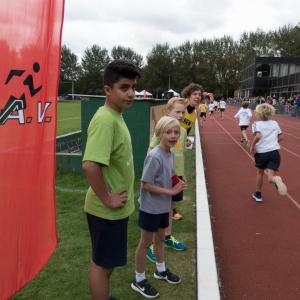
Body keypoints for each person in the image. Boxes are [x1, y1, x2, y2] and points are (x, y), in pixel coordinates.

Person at [82, 59, 140, 300]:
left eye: (133, 87)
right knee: (102, 265)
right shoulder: (106, 119)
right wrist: (107, 198)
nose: (131, 93)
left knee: (108, 264)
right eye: (124, 87)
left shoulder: (115, 114)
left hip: (115, 209)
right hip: (106, 210)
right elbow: (90, 165)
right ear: (108, 90)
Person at [131, 116, 186, 298]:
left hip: (163, 206)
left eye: (176, 132)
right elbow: (145, 184)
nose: (173, 136)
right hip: (150, 207)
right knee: (145, 243)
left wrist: (178, 182)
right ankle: (138, 280)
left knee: (161, 238)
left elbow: (169, 174)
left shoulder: (169, 153)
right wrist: (170, 192)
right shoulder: (154, 155)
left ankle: (160, 271)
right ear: (159, 134)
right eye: (168, 132)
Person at [146, 97, 188, 264]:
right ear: (168, 112)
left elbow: (180, 154)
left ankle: (168, 237)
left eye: (183, 112)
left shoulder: (182, 131)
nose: (180, 115)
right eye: (177, 111)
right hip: (162, 178)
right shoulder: (162, 129)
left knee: (170, 209)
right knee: (158, 210)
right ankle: (150, 244)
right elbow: (151, 151)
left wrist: (182, 175)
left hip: (177, 177)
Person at [250, 103, 287, 202]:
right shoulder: (274, 123)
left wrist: (252, 146)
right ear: (271, 113)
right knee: (271, 177)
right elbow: (281, 137)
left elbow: (258, 136)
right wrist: (274, 142)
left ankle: (258, 195)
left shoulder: (256, 124)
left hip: (262, 153)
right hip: (274, 153)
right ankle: (276, 179)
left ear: (258, 114)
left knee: (260, 173)